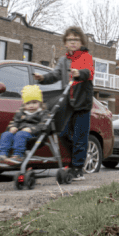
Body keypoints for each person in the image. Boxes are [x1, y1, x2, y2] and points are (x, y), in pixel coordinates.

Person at [34, 26, 94, 181]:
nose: (72, 42)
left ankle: (78, 169)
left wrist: (79, 73)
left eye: (76, 39)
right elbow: (55, 75)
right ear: (65, 43)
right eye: (69, 40)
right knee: (63, 133)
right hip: (68, 103)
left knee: (80, 136)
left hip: (82, 102)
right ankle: (73, 161)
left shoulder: (86, 57)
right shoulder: (63, 60)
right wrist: (43, 79)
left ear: (81, 42)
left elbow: (89, 72)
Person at [0, 85, 48, 166]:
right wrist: (12, 127)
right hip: (19, 134)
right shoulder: (21, 112)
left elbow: (43, 125)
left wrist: (31, 129)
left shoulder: (43, 113)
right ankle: (2, 155)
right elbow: (15, 122)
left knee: (20, 134)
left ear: (40, 102)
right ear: (24, 104)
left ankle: (18, 155)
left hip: (34, 136)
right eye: (28, 103)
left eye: (34, 102)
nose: (31, 105)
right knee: (6, 134)